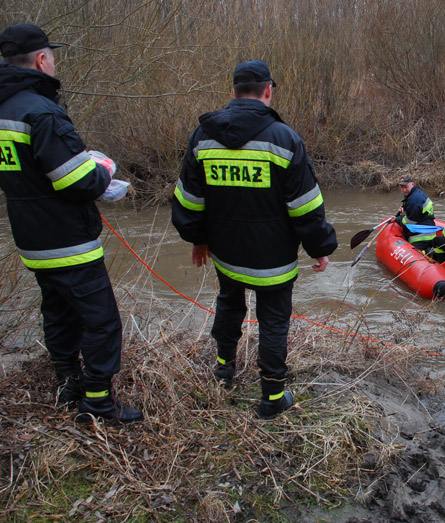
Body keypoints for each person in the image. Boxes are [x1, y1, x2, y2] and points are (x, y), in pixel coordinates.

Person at [171, 60, 337, 420]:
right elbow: (305, 207)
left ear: (232, 93)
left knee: (229, 305)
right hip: (272, 257)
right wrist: (320, 247)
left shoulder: (202, 137)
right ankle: (272, 398)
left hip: (225, 253)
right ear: (268, 91)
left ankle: (224, 370)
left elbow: (187, 201)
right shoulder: (285, 139)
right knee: (273, 321)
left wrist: (198, 239)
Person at [0, 24, 142, 423]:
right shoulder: (41, 111)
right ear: (42, 59)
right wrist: (102, 170)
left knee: (58, 311)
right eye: (52, 55)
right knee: (101, 322)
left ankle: (67, 384)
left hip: (30, 237)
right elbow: (74, 179)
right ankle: (97, 401)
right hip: (67, 238)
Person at [395, 176, 437, 250]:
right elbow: (416, 213)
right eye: (402, 187)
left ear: (413, 184)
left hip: (420, 237)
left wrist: (397, 219)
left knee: (419, 256)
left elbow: (410, 221)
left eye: (406, 187)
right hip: (430, 232)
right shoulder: (416, 193)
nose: (404, 190)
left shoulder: (413, 200)